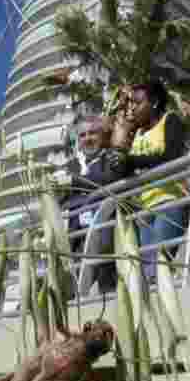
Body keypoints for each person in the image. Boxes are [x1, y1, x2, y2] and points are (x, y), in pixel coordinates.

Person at [108, 79, 190, 272]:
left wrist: (131, 161)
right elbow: (125, 172)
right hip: (144, 210)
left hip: (168, 202)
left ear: (153, 102)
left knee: (158, 268)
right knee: (146, 271)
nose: (132, 109)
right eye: (131, 104)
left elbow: (171, 157)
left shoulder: (170, 120)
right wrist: (120, 153)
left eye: (138, 103)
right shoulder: (136, 134)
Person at [62, 115, 127, 293]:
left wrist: (75, 182)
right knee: (75, 284)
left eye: (92, 133)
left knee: (108, 283)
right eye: (82, 135)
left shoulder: (111, 157)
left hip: (105, 228)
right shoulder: (73, 165)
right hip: (79, 232)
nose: (87, 138)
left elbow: (110, 179)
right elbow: (64, 199)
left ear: (101, 135)